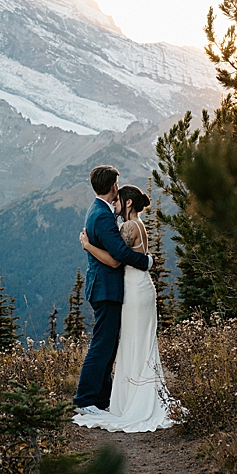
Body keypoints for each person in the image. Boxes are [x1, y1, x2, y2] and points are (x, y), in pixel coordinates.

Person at [72, 182, 176, 432]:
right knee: (127, 342)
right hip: (130, 287)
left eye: (118, 200)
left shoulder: (130, 226)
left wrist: (87, 246)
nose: (115, 204)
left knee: (129, 343)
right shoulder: (131, 224)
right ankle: (113, 398)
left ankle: (104, 399)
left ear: (127, 203)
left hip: (134, 288)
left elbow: (117, 258)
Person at [72, 166, 154, 415]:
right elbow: (118, 255)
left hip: (106, 287)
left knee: (107, 345)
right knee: (102, 345)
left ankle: (101, 399)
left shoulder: (99, 211)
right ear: (114, 187)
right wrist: (146, 261)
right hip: (105, 288)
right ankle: (85, 399)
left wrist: (87, 245)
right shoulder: (103, 216)